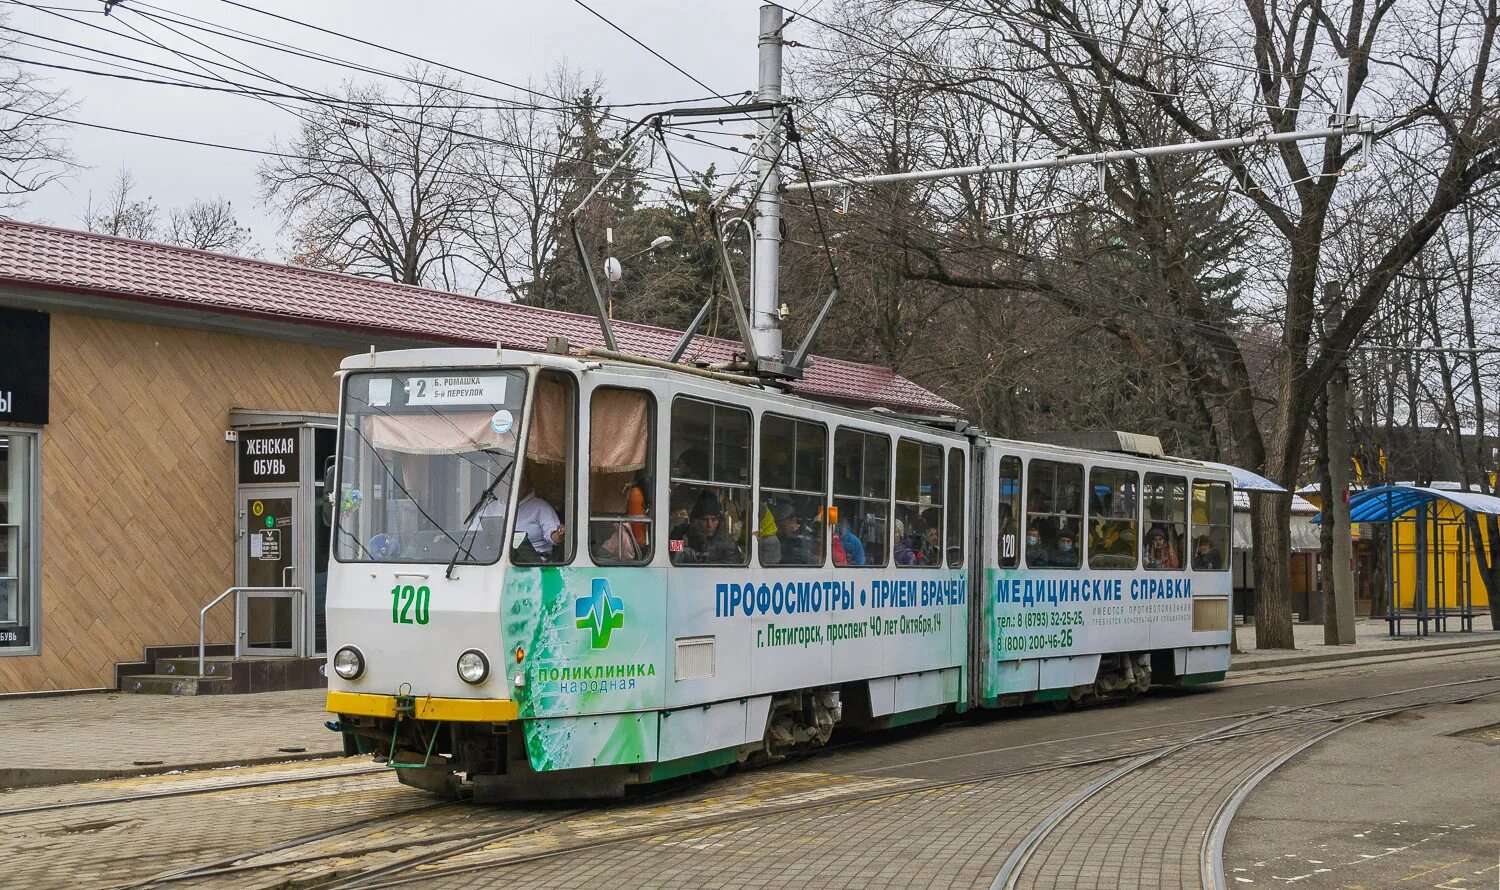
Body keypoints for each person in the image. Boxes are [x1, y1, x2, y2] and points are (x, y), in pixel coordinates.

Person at [672, 490, 743, 565]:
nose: (709, 525)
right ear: (696, 520)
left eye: (714, 520)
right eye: (705, 519)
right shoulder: (681, 535)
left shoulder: (727, 543)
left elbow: (732, 570)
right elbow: (674, 556)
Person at [514, 488, 565, 559]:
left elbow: (551, 531)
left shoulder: (540, 506)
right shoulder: (498, 505)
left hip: (535, 562)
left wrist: (559, 535)